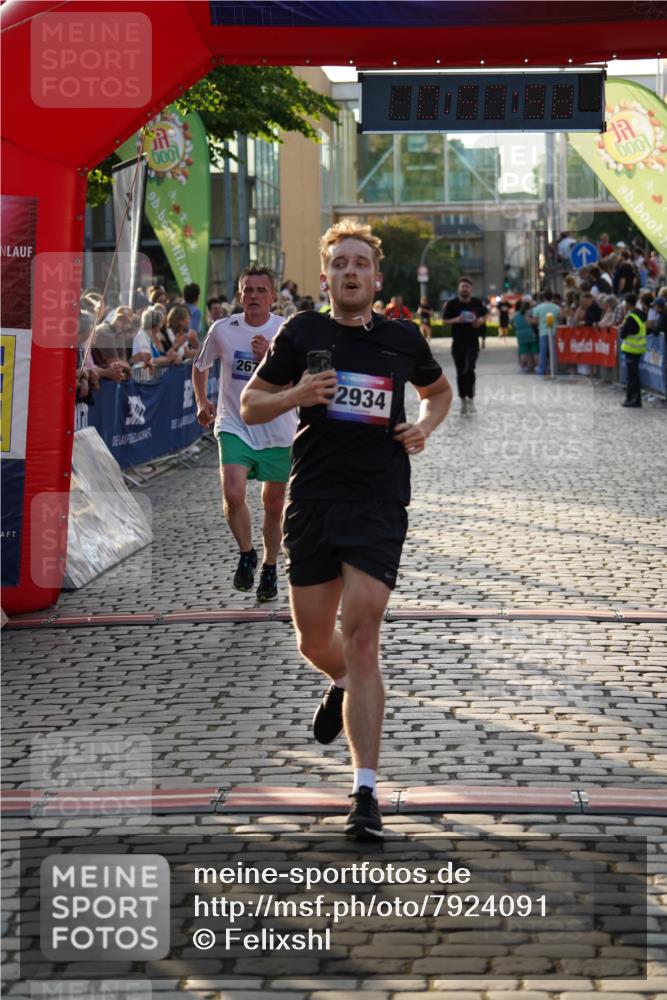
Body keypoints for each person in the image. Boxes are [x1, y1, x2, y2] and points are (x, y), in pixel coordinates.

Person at [240, 220, 452, 840]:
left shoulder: (401, 338)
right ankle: (335, 681)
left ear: (376, 278)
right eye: (340, 264)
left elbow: (437, 395)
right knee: (314, 641)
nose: (351, 271)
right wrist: (296, 392)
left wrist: (424, 426)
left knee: (362, 637)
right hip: (314, 499)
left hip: (379, 501)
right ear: (327, 275)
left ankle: (365, 793)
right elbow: (252, 403)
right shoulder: (301, 331)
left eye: (361, 263)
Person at [193, 265, 297, 602]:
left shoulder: (285, 331)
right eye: (248, 290)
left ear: (273, 297)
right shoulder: (222, 329)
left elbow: (298, 382)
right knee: (234, 492)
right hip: (235, 424)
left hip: (278, 428)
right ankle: (247, 552)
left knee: (273, 503)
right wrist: (202, 401)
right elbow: (199, 366)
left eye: (260, 291)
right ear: (240, 295)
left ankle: (268, 565)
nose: (253, 296)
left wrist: (269, 356)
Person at [441, 276, 487, 414]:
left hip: (472, 342)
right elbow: (444, 321)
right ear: (459, 289)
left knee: (470, 369)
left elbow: (485, 315)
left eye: (467, 287)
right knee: (460, 372)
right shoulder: (452, 304)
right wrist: (457, 319)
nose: (465, 289)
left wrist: (480, 322)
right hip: (458, 343)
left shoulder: (477, 302)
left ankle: (471, 399)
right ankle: (463, 401)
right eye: (462, 287)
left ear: (471, 289)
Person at [619, 292, 648, 408]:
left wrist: (623, 327)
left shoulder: (631, 317)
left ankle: (633, 400)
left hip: (632, 349)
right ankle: (632, 399)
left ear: (627, 303)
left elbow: (623, 334)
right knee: (633, 376)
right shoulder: (640, 314)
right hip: (638, 349)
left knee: (632, 377)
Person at [531, 290, 561, 377]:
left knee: (543, 351)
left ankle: (541, 370)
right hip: (554, 331)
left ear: (543, 297)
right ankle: (554, 369)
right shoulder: (556, 307)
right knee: (554, 351)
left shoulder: (538, 308)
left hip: (543, 332)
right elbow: (561, 318)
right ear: (552, 297)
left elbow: (535, 320)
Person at [513, 300, 537, 372]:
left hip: (520, 334)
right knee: (535, 351)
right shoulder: (532, 313)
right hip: (531, 333)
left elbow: (512, 323)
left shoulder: (516, 314)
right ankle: (537, 367)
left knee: (523, 352)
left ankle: (522, 368)